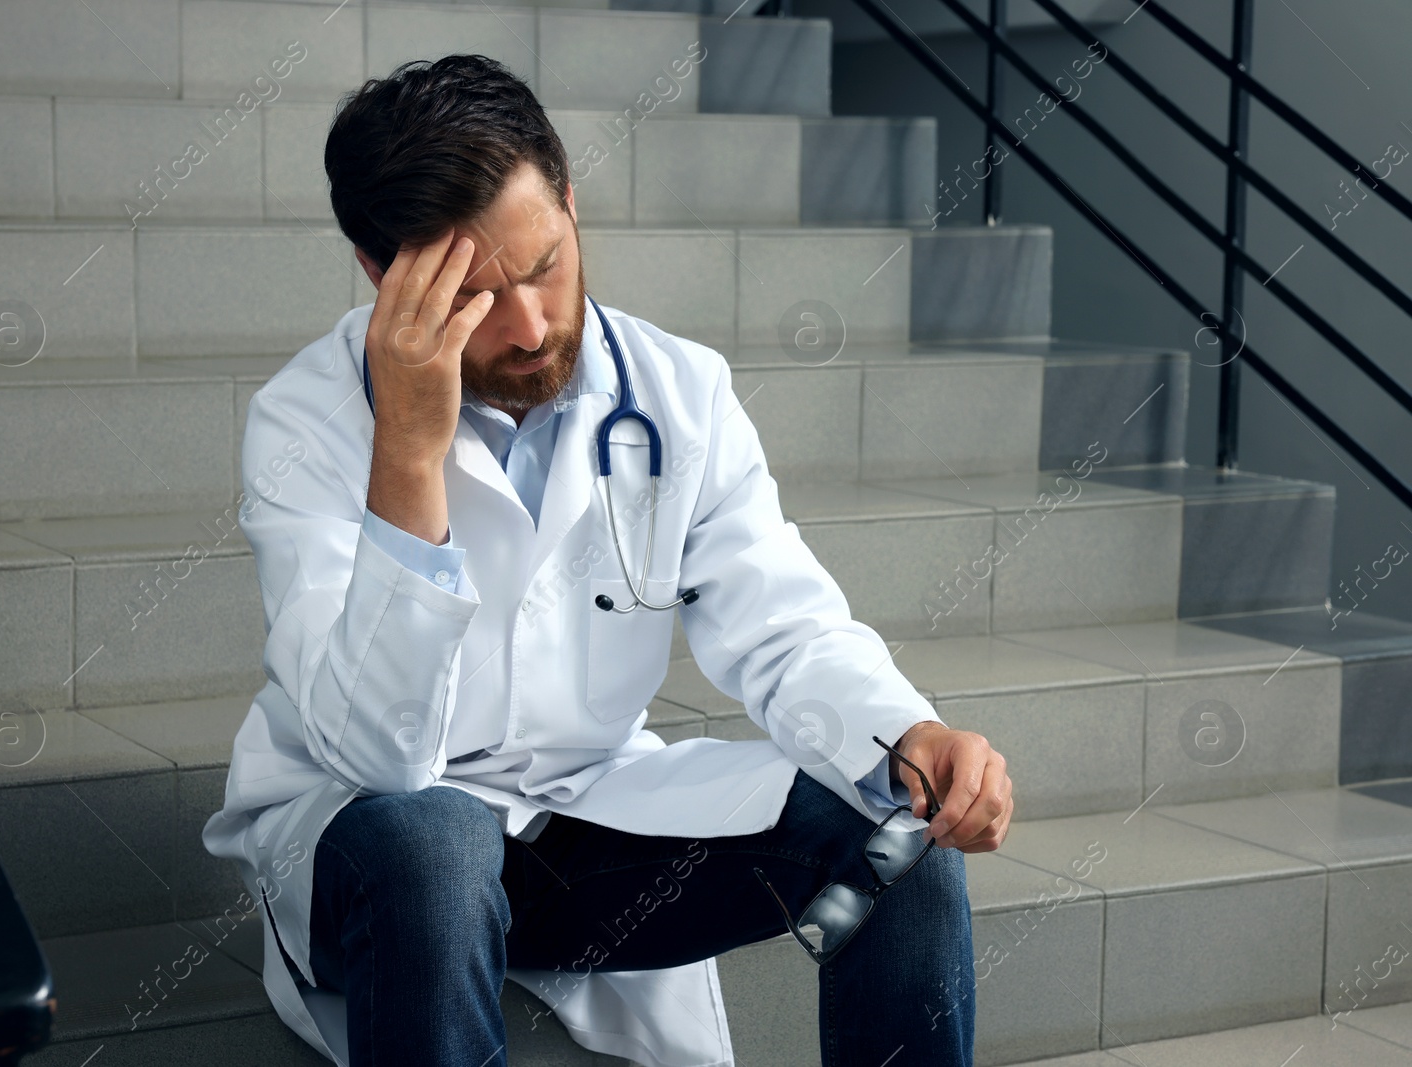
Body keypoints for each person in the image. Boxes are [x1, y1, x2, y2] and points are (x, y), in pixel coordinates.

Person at [203, 52, 1013, 1067]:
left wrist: (906, 731)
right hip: (370, 848)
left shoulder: (678, 389)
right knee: (438, 839)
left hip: (590, 822)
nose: (531, 325)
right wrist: (407, 453)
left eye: (542, 265)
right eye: (476, 297)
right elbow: (381, 758)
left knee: (894, 839)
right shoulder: (306, 423)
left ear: (572, 203)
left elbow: (783, 626)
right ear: (382, 274)